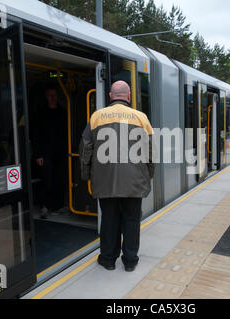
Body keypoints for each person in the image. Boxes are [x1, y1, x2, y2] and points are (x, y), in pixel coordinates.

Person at [80, 81, 154, 272]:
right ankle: (130, 261)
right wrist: (149, 175)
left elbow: (86, 147)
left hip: (105, 181)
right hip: (135, 180)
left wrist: (86, 174)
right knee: (131, 220)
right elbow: (151, 151)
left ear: (111, 96)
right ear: (128, 97)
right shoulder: (141, 118)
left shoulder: (97, 116)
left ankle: (108, 259)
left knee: (109, 220)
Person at [32, 85, 67, 219]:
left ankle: (57, 206)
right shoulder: (40, 113)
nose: (52, 98)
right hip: (45, 153)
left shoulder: (62, 112)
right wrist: (38, 154)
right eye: (50, 95)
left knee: (60, 179)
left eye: (54, 95)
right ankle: (45, 206)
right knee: (47, 180)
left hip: (61, 152)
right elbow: (36, 135)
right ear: (46, 97)